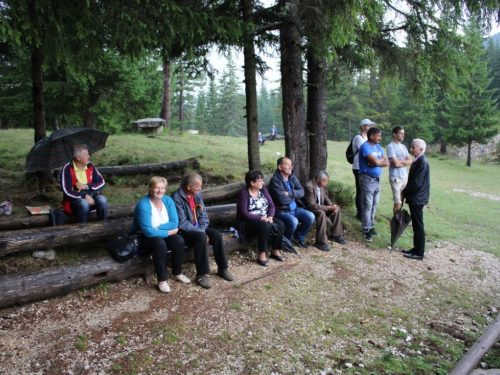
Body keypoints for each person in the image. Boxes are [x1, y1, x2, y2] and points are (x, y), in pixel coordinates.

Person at [171, 172, 234, 289]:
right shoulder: (176, 197)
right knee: (200, 237)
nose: (200, 188)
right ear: (189, 187)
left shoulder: (197, 195)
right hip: (183, 231)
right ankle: (201, 275)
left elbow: (203, 214)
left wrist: (202, 229)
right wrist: (201, 233)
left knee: (216, 234)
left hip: (198, 228)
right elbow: (182, 222)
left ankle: (222, 268)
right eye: (198, 186)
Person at [130, 176, 187, 293]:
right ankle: (162, 280)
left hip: (159, 234)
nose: (160, 191)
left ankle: (177, 273)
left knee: (178, 240)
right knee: (159, 243)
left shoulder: (167, 200)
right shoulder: (144, 205)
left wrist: (159, 228)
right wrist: (169, 232)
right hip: (143, 238)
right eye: (157, 188)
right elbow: (148, 232)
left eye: (162, 188)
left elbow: (174, 222)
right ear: (150, 189)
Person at [235, 170, 285, 266]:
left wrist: (270, 217)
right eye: (260, 180)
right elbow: (244, 213)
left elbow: (271, 205)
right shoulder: (243, 193)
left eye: (262, 180)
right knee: (264, 226)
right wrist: (262, 218)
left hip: (265, 218)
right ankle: (261, 253)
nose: (262, 182)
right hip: (248, 222)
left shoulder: (263, 190)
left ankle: (275, 250)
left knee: (280, 224)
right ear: (252, 183)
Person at [268, 157, 315, 248]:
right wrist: (294, 196)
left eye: (291, 165)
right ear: (280, 167)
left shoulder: (292, 177)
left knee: (310, 216)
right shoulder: (275, 180)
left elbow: (302, 192)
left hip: (295, 208)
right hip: (281, 211)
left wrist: (289, 193)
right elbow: (281, 199)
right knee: (293, 221)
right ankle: (286, 242)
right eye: (287, 164)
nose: (290, 167)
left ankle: (299, 238)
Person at [62, 144, 107, 223]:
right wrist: (84, 196)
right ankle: (82, 228)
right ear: (78, 158)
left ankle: (102, 226)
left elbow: (101, 182)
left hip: (92, 196)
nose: (89, 156)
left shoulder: (90, 165)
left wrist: (86, 186)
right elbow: (67, 191)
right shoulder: (67, 168)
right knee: (84, 203)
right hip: (75, 200)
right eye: (86, 155)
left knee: (102, 200)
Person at [359, 127, 389, 242]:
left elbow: (387, 162)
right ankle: (365, 229)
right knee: (368, 205)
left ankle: (371, 226)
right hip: (367, 179)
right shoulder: (365, 147)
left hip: (377, 180)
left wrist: (375, 163)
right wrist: (377, 162)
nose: (380, 138)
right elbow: (378, 161)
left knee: (374, 204)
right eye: (378, 136)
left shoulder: (378, 147)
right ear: (371, 136)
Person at [303, 171, 347, 251]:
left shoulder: (322, 185)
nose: (325, 184)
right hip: (311, 210)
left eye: (326, 182)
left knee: (337, 208)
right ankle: (320, 242)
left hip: (321, 207)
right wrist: (329, 208)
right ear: (318, 180)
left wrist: (332, 206)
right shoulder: (309, 186)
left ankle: (335, 235)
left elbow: (326, 198)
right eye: (324, 182)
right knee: (321, 213)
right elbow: (312, 205)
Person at [401, 139, 430, 260]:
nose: (411, 149)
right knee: (416, 225)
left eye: (414, 147)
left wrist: (404, 192)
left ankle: (419, 252)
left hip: (418, 198)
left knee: (418, 225)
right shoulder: (418, 161)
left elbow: (416, 183)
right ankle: (416, 248)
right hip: (416, 197)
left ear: (421, 150)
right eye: (411, 147)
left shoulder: (422, 162)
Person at [352, 119, 374, 220]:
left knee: (366, 190)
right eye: (368, 125)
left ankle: (365, 213)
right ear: (362, 127)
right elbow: (366, 151)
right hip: (358, 167)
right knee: (360, 190)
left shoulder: (368, 138)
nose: (370, 127)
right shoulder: (358, 138)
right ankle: (360, 213)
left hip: (366, 167)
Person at [387, 126, 412, 216]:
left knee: (402, 199)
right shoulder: (391, 147)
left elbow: (410, 160)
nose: (403, 135)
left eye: (403, 134)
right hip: (395, 178)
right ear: (394, 134)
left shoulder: (403, 147)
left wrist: (400, 161)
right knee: (397, 202)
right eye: (401, 133)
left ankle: (398, 218)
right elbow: (395, 164)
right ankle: (396, 221)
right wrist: (404, 162)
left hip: (404, 177)